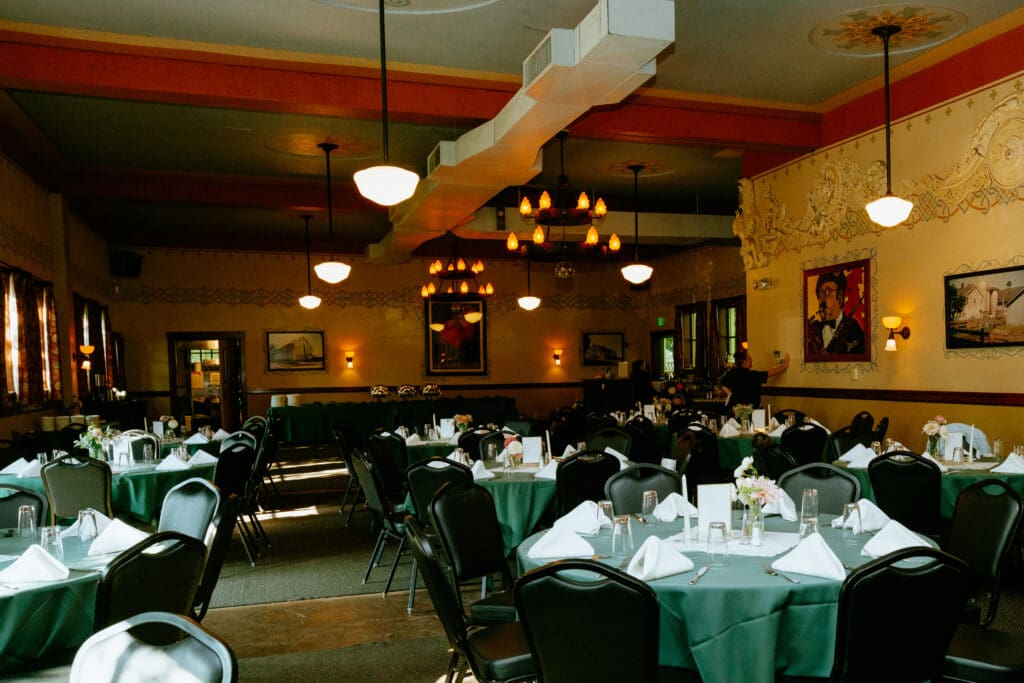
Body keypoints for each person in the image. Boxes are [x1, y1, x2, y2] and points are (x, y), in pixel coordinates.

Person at [807, 271, 865, 356]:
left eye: (828, 292)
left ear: (840, 297)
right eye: (820, 294)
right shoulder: (813, 329)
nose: (822, 299)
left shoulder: (853, 328)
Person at [720, 350, 789, 408]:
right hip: (749, 410)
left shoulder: (732, 371)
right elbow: (769, 373)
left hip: (734, 407)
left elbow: (723, 384)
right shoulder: (750, 374)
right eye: (749, 359)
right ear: (744, 362)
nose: (752, 360)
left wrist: (731, 395)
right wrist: (783, 366)